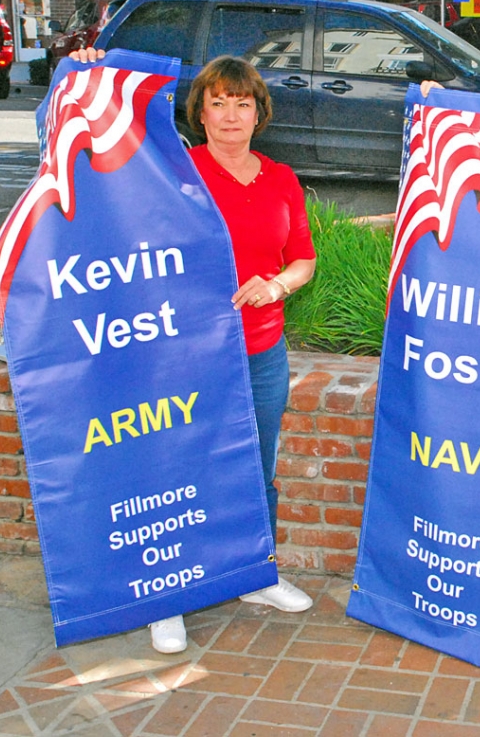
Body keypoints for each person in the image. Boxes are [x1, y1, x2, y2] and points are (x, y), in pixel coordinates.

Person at [71, 48, 318, 654]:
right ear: (199, 113)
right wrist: (87, 74)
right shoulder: (173, 173)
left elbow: (303, 259)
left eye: (242, 103)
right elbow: (91, 160)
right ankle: (169, 596)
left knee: (256, 469)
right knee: (178, 467)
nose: (231, 115)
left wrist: (277, 285)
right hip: (184, 356)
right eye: (218, 103)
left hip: (261, 351)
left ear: (259, 113)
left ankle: (253, 574)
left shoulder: (281, 178)